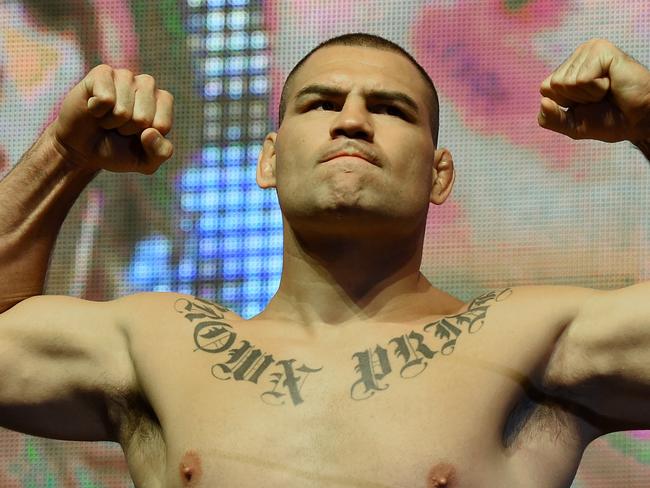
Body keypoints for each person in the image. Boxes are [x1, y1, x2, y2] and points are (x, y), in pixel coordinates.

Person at [0, 33, 649, 487]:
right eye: (321, 104)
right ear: (270, 160)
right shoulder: (164, 348)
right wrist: (63, 156)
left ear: (439, 175)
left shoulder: (536, 340)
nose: (353, 121)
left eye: (391, 110)